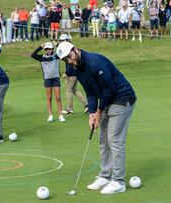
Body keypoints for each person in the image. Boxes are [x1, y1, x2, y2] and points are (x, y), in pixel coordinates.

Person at [56, 41, 136, 195]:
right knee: (103, 139)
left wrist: (99, 111)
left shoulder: (94, 62)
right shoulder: (77, 69)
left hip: (122, 98)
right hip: (108, 100)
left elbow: (109, 89)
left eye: (70, 56)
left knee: (114, 139)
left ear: (75, 49)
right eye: (66, 60)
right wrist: (92, 113)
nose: (70, 61)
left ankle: (118, 181)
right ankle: (106, 176)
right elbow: (90, 91)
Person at [31, 42, 65, 122]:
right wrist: (40, 47)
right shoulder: (42, 57)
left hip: (56, 78)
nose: (48, 50)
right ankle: (50, 115)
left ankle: (60, 115)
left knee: (58, 97)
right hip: (47, 79)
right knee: (49, 97)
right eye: (46, 49)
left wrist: (57, 45)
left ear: (52, 49)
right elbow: (33, 55)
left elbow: (63, 52)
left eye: (49, 48)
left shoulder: (56, 56)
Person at [59, 34, 88, 114]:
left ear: (66, 40)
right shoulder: (70, 47)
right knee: (74, 90)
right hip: (75, 72)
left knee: (69, 90)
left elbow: (69, 63)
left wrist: (66, 73)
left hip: (71, 73)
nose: (61, 42)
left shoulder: (68, 50)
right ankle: (86, 104)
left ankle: (69, 108)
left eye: (62, 40)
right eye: (60, 40)